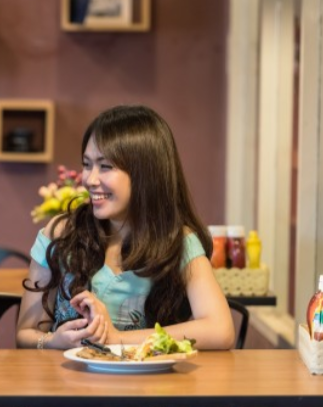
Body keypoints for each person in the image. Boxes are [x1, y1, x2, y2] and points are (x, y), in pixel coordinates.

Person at [16, 105, 235, 350]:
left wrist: (116, 339)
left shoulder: (178, 242)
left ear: (145, 174)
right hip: (65, 374)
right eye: (87, 164)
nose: (90, 179)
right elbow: (25, 334)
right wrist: (52, 341)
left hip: (148, 376)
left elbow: (221, 330)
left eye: (105, 166)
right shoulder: (60, 233)